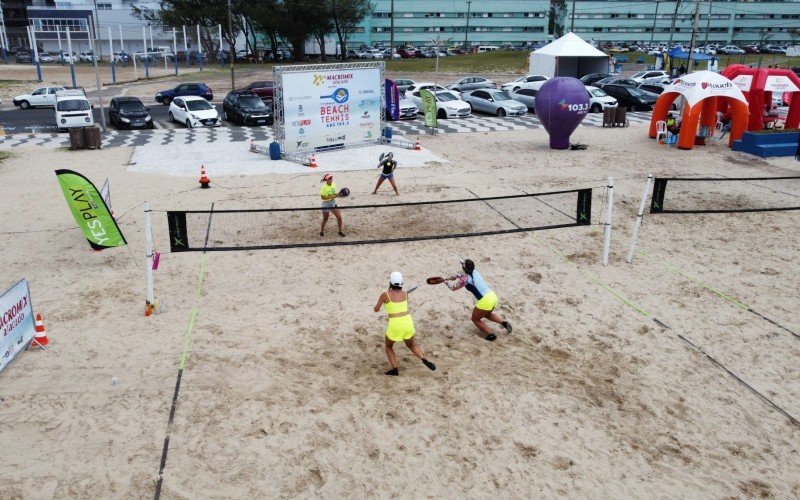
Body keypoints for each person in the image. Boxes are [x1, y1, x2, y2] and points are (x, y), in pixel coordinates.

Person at [374, 272, 436, 376]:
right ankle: (424, 359)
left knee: (388, 346)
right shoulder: (405, 294)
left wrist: (383, 302)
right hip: (408, 322)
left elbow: (376, 309)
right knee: (411, 344)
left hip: (395, 324)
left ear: (391, 282)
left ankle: (394, 369)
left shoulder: (385, 295)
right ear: (402, 283)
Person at [447, 259, 512, 341]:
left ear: (464, 268)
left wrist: (445, 281)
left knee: (475, 319)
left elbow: (453, 288)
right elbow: (463, 275)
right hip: (493, 296)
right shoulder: (475, 271)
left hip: (485, 300)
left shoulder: (465, 279)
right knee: (487, 314)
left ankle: (491, 335)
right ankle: (504, 323)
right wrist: (455, 276)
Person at [319, 173, 345, 237]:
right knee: (325, 219)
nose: (331, 179)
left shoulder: (334, 184)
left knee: (339, 218)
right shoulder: (324, 187)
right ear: (326, 180)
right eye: (329, 178)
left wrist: (338, 194)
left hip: (332, 203)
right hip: (326, 204)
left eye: (331, 178)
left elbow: (334, 194)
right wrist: (331, 197)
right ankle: (321, 231)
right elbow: (322, 197)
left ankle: (340, 231)